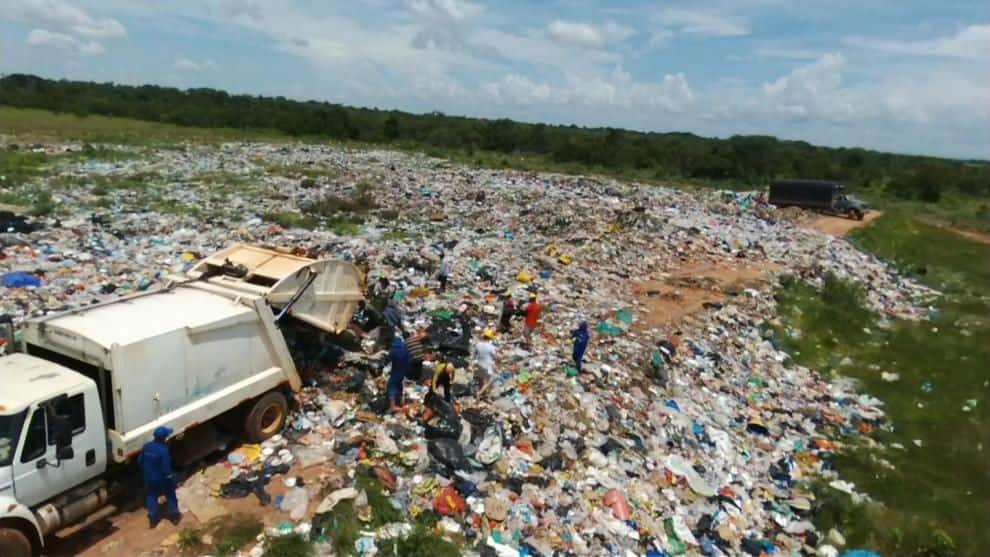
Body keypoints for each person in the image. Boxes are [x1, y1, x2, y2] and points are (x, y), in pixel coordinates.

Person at [140, 426, 181, 528]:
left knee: (151, 495)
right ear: (165, 438)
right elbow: (166, 469)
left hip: (149, 477)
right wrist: (171, 479)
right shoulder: (163, 450)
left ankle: (153, 520)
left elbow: (140, 461)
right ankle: (175, 516)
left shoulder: (146, 446)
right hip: (161, 478)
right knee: (170, 494)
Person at [388, 335, 411, 410]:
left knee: (392, 385)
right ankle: (401, 402)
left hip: (395, 370)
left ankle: (392, 406)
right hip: (403, 371)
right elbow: (409, 360)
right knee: (399, 385)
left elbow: (389, 359)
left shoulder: (393, 349)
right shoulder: (405, 348)